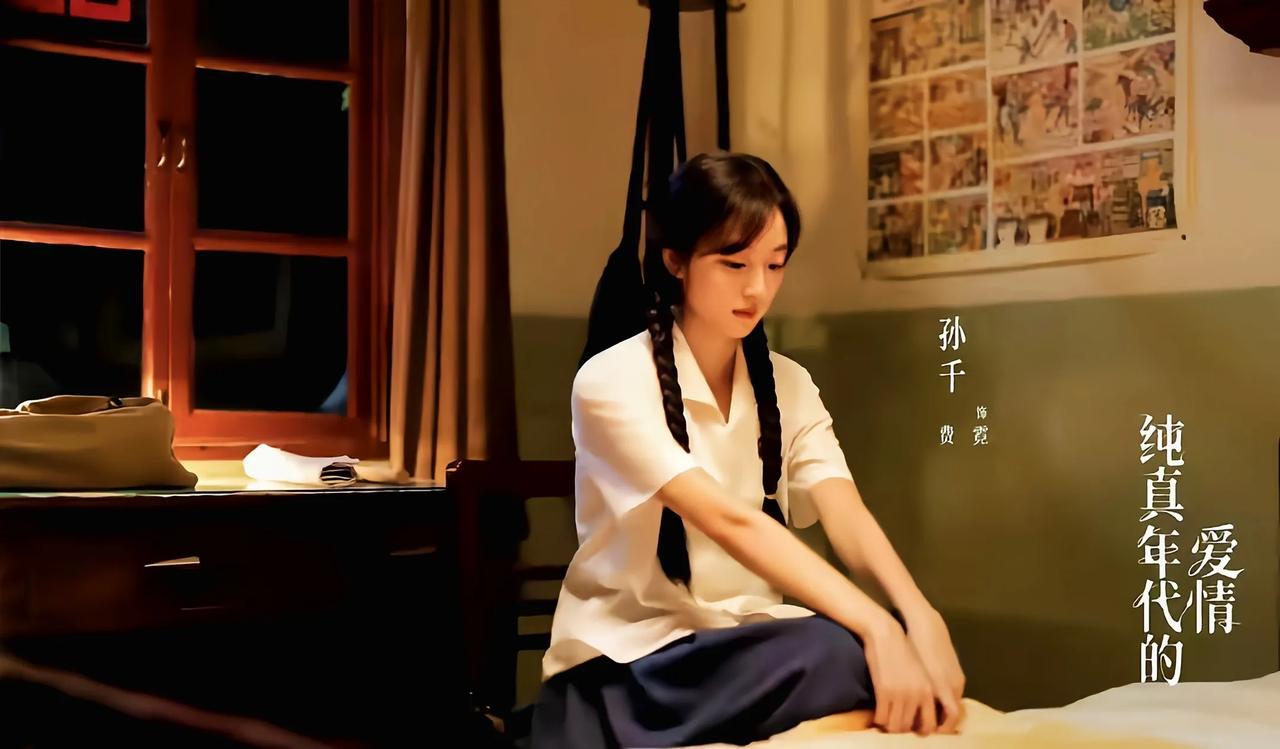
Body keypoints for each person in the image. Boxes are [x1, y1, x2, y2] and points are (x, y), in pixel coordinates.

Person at [529, 153, 966, 748]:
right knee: (849, 651)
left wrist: (917, 615)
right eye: (734, 263)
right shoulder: (609, 381)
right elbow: (731, 522)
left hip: (742, 647)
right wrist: (875, 625)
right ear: (676, 260)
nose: (757, 287)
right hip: (630, 665)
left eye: (774, 264)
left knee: (872, 655)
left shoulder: (789, 383)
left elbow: (845, 513)